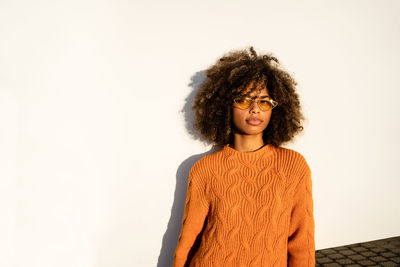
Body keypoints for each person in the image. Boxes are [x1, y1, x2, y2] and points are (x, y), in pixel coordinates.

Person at [173, 46, 315, 266]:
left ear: (275, 109)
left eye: (264, 102)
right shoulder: (205, 169)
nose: (255, 109)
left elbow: (302, 242)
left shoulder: (293, 166)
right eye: (243, 100)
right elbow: (188, 242)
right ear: (224, 106)